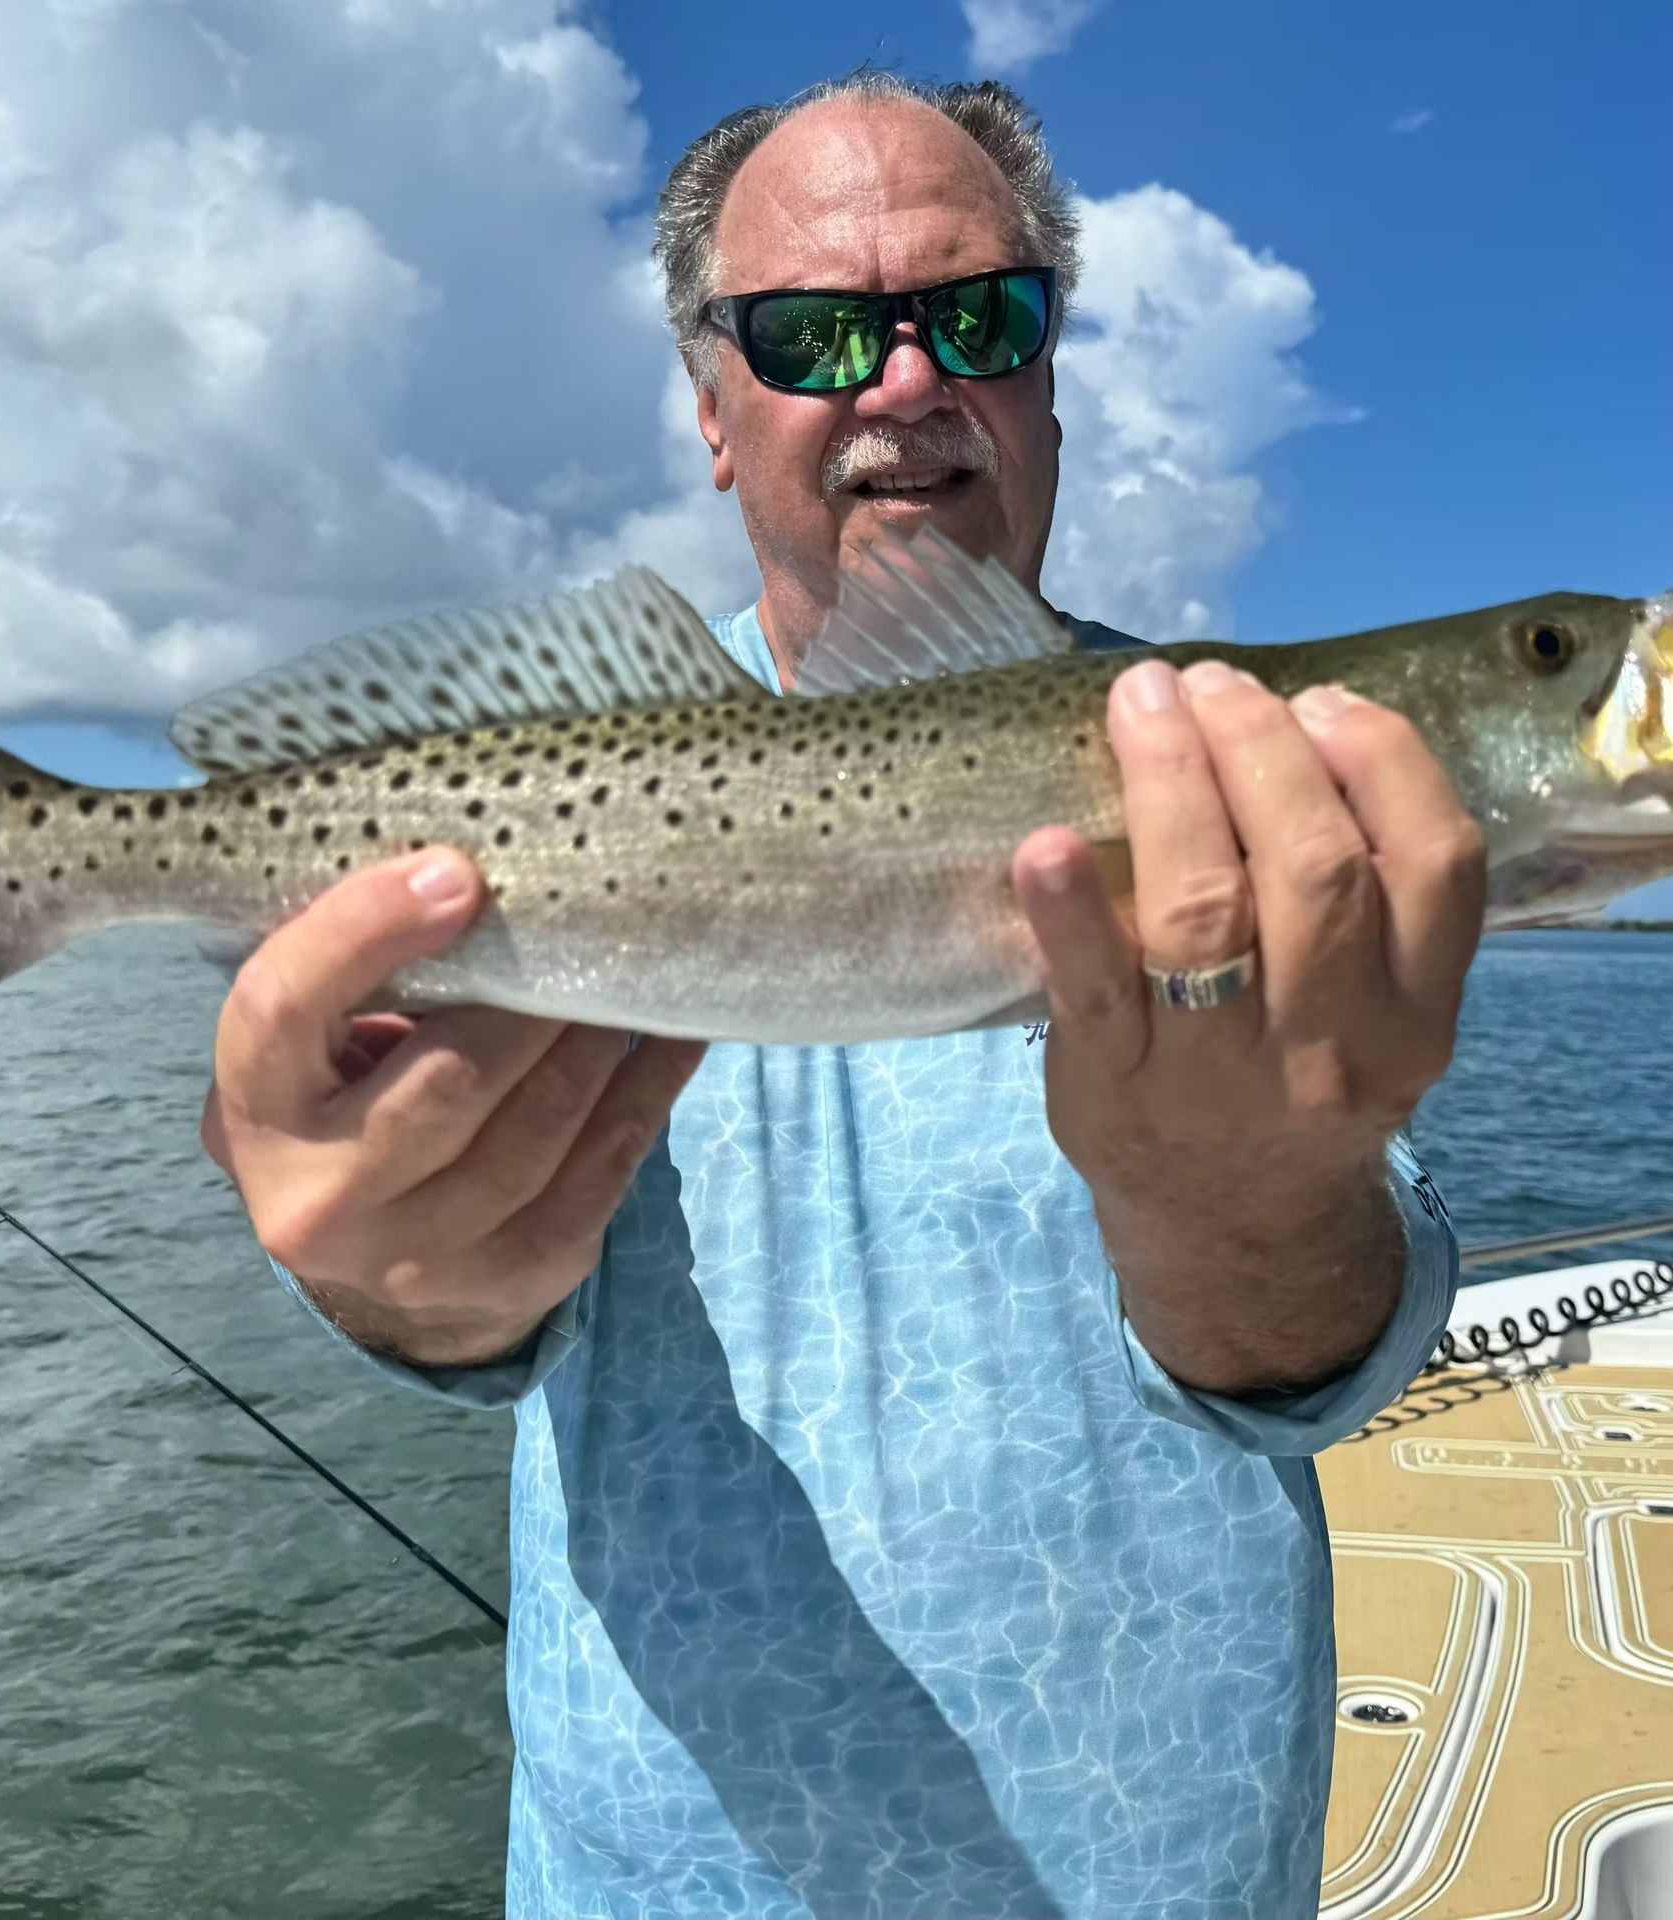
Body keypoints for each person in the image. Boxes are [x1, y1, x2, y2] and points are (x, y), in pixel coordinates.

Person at [201, 72, 1482, 1920]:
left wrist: (1258, 1203)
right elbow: (411, 1255)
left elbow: (1322, 1352)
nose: (902, 383)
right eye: (812, 335)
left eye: (978, 317)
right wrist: (385, 1279)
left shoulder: (1245, 774)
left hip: (1179, 1863)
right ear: (714, 413)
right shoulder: (526, 784)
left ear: (1045, 375)